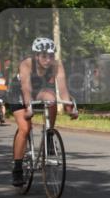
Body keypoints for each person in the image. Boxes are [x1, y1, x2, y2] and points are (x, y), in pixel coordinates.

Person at [7, 38, 78, 186]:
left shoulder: (57, 66)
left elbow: (63, 90)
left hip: (39, 90)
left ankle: (49, 135)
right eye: (44, 56)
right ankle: (18, 168)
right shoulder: (27, 64)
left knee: (51, 99)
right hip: (18, 92)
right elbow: (26, 88)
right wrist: (28, 108)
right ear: (36, 55)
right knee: (25, 128)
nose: (48, 60)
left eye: (51, 56)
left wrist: (69, 108)